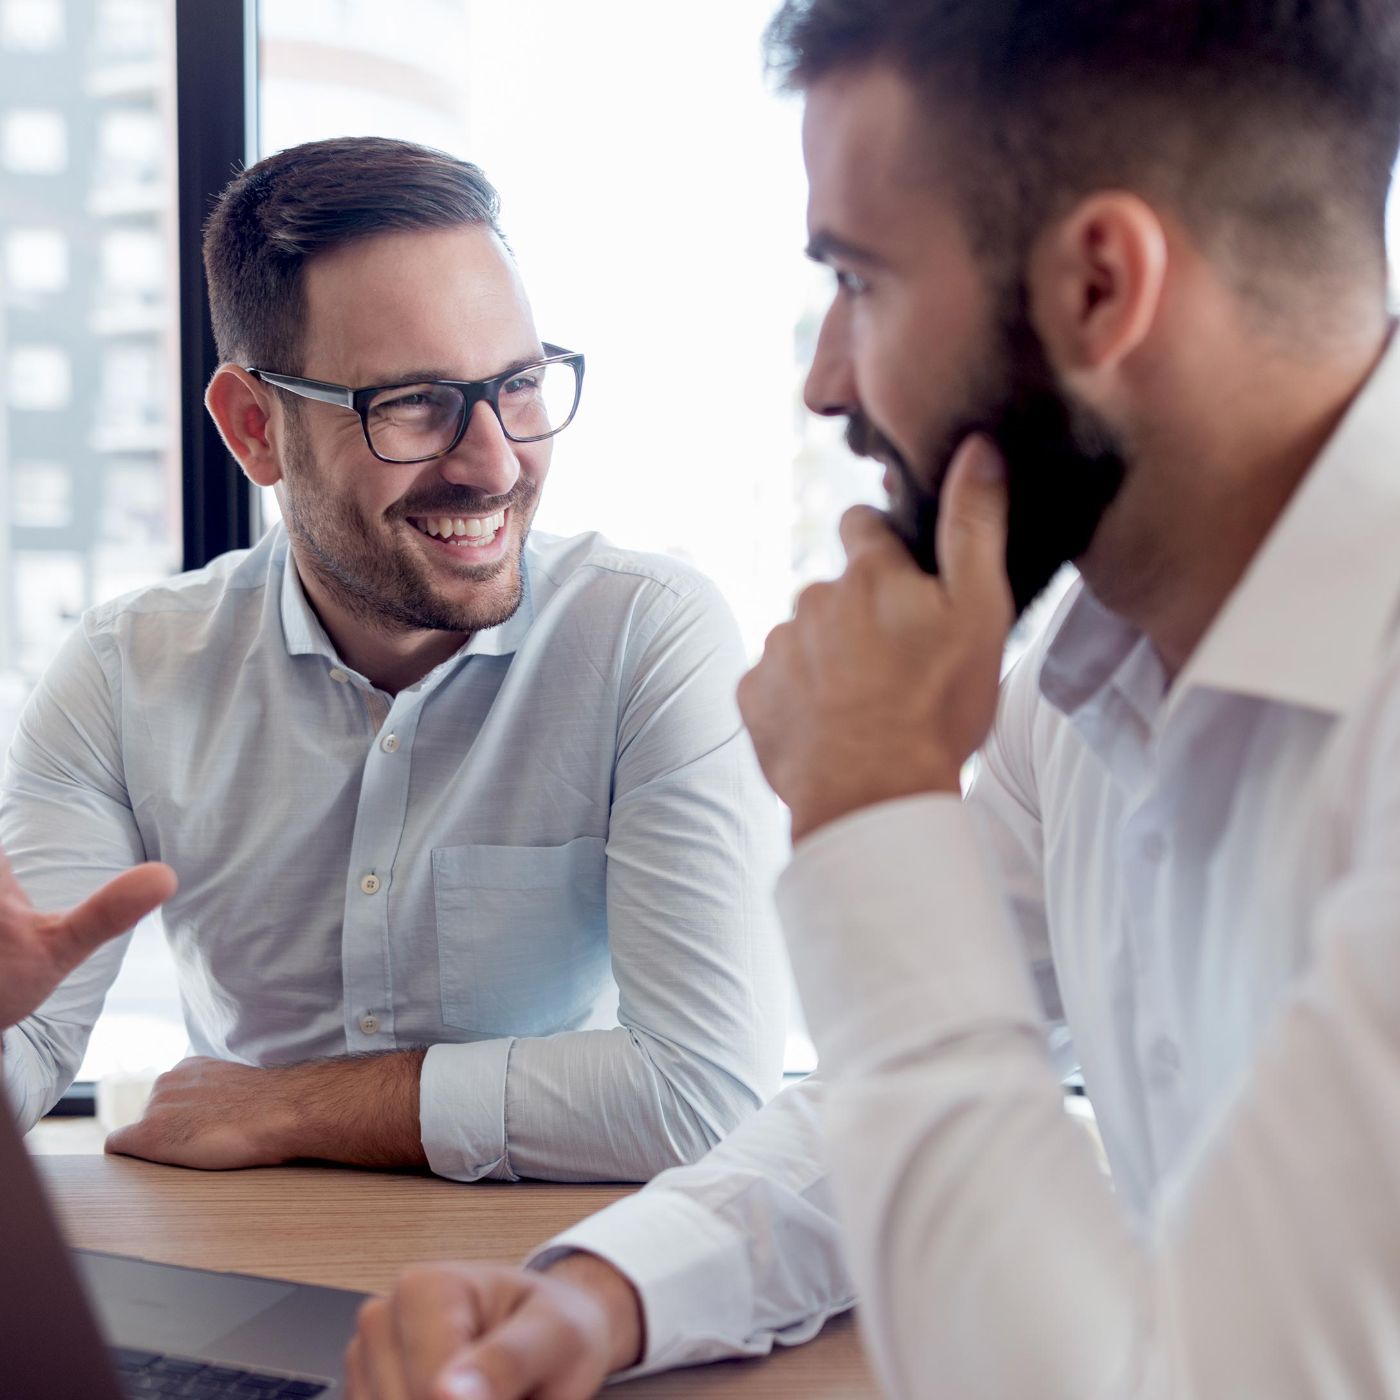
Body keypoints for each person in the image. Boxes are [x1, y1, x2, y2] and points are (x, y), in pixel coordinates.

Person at [343, 0, 1400, 1396]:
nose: (830, 380)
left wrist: (869, 805)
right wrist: (605, 1296)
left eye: (861, 282)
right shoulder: (1083, 683)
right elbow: (890, 1092)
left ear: (1097, 287)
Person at [0, 136, 785, 1184]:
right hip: (245, 1254)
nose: (495, 462)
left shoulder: (647, 637)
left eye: (516, 384)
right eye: (412, 403)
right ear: (253, 429)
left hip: (551, 1283)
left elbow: (704, 1093)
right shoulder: (120, 673)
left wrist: (289, 1103)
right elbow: (30, 1046)